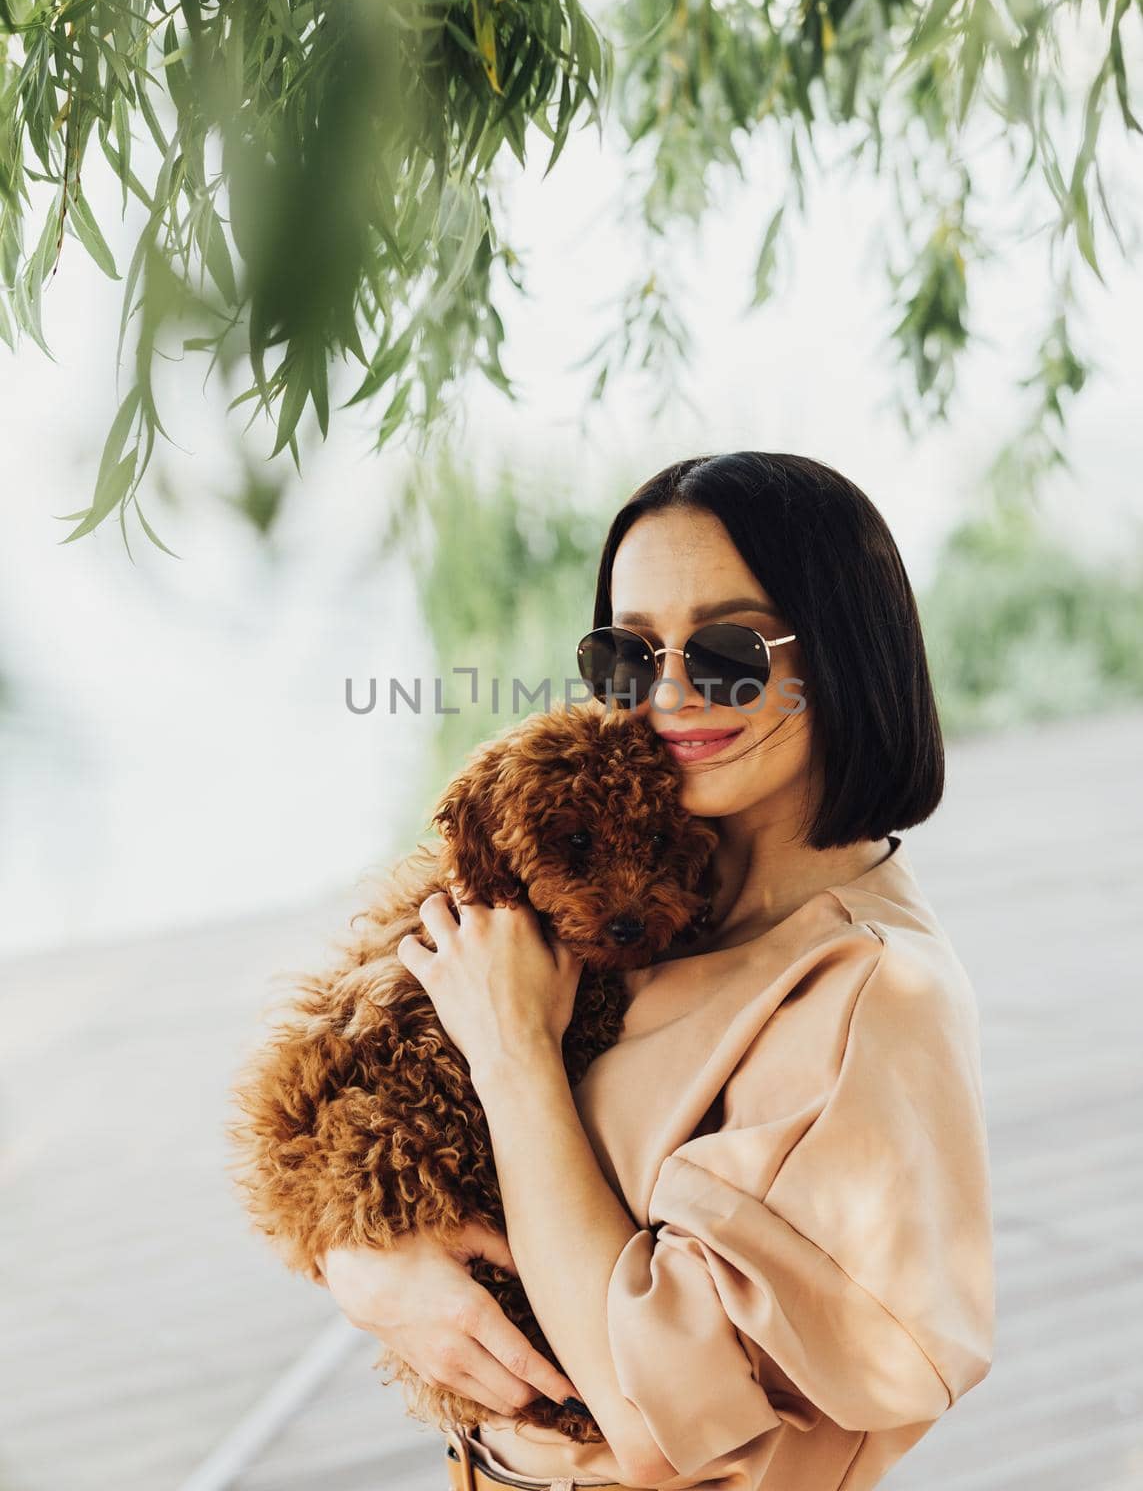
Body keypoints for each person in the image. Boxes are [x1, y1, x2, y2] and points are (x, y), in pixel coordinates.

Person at [316, 451, 995, 1491]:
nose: (669, 692)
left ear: (844, 655)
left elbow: (650, 1416)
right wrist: (365, 1261)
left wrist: (514, 1056)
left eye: (727, 650)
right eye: (628, 654)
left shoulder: (868, 996)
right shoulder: (630, 908)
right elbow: (366, 1102)